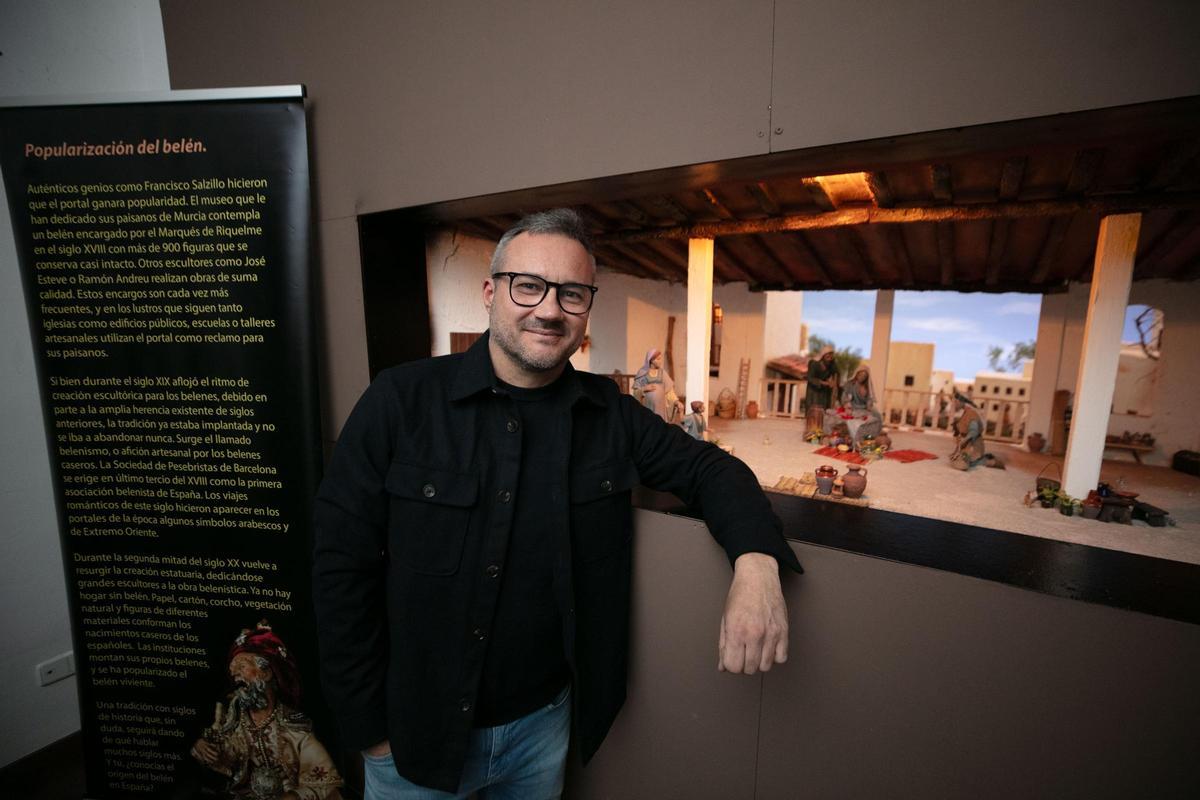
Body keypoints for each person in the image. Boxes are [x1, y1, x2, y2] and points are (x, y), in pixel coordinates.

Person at [313, 208, 801, 798]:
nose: (549, 309)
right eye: (529, 286)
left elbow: (710, 468)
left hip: (541, 735)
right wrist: (370, 732)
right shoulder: (400, 400)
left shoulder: (612, 414)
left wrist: (755, 561)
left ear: (586, 307)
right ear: (491, 293)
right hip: (413, 737)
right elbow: (340, 565)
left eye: (571, 293)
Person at [191, 622, 344, 800]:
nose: (235, 675)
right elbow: (226, 760)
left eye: (241, 666)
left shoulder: (295, 729)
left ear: (267, 673)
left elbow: (324, 784)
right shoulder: (233, 723)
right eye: (232, 671)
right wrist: (203, 749)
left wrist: (293, 797)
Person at [632, 347, 683, 424]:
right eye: (658, 359)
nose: (660, 361)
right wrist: (644, 389)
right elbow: (635, 392)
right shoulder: (642, 373)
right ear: (651, 360)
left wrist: (676, 402)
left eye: (660, 358)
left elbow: (669, 392)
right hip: (648, 408)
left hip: (661, 409)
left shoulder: (662, 373)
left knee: (660, 424)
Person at [804, 346, 838, 437]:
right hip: (814, 391)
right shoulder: (814, 363)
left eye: (831, 356)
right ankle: (810, 433)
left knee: (823, 411)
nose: (829, 357)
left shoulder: (831, 365)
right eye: (827, 355)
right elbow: (810, 377)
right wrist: (823, 383)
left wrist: (833, 383)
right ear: (823, 355)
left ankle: (821, 432)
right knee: (813, 411)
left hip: (824, 392)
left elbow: (835, 374)